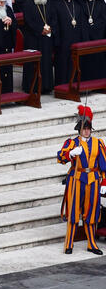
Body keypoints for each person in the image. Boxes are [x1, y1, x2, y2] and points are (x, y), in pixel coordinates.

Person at [56, 106, 105, 255]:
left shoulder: (98, 143)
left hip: (93, 180)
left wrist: (104, 183)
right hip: (76, 179)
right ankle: (69, 243)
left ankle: (91, 243)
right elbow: (60, 158)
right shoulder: (72, 143)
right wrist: (70, 154)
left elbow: (104, 164)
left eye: (88, 128)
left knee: (91, 212)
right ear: (79, 129)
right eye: (84, 128)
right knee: (73, 212)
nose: (86, 131)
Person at [22, 0, 56, 94]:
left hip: (46, 38)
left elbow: (53, 18)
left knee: (46, 62)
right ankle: (33, 86)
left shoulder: (49, 3)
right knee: (34, 64)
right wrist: (40, 30)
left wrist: (50, 28)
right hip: (33, 38)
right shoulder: (28, 3)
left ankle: (46, 86)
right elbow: (28, 21)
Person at [55, 0, 84, 86]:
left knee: (73, 62)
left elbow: (80, 23)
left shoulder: (77, 5)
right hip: (63, 39)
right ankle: (62, 84)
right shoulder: (57, 5)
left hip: (75, 39)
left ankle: (74, 83)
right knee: (62, 62)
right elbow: (55, 23)